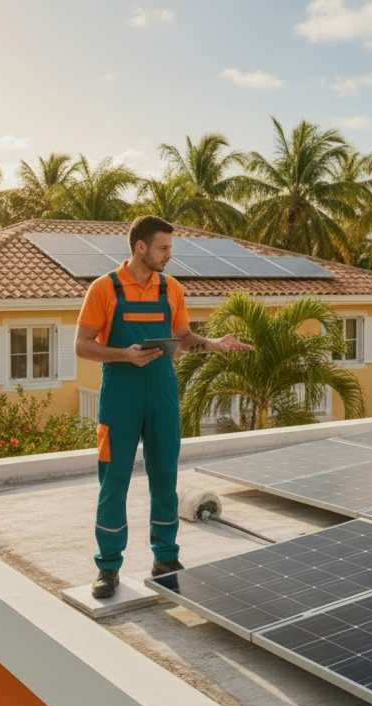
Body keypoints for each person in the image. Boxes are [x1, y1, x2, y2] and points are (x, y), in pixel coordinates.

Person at [76, 216, 254, 599]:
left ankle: (166, 558)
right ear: (141, 247)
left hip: (162, 394)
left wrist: (215, 344)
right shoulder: (104, 289)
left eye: (170, 248)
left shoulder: (170, 288)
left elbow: (183, 336)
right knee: (113, 482)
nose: (169, 255)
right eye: (163, 248)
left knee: (164, 478)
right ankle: (108, 567)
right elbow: (82, 345)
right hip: (119, 398)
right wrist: (124, 354)